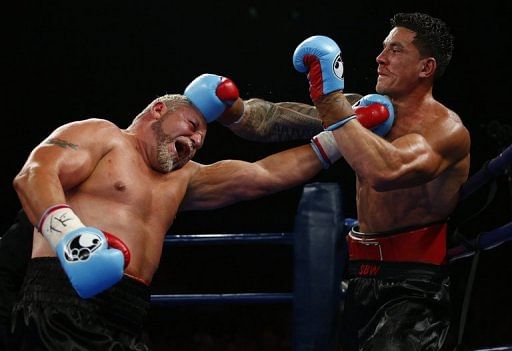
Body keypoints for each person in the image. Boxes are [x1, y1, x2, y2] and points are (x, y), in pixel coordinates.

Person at [7, 72, 392, 350]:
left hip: (127, 311)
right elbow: (34, 174)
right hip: (62, 298)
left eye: (200, 140)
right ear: (158, 110)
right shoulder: (103, 137)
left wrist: (342, 135)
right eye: (191, 126)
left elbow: (263, 174)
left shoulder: (184, 179)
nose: (193, 141)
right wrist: (70, 238)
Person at [291, 12, 470, 351]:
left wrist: (330, 100)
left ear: (425, 68)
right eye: (383, 48)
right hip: (360, 275)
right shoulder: (370, 113)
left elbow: (385, 171)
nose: (380, 58)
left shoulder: (446, 130)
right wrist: (234, 110)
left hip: (411, 286)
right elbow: (282, 118)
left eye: (396, 50)